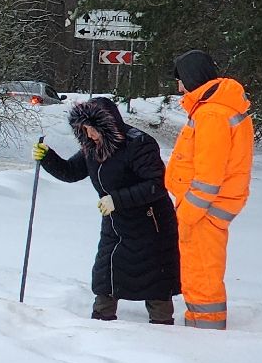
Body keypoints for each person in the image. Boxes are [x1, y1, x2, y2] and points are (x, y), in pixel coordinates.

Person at [34, 96, 180, 324]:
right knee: (106, 273)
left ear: (107, 125)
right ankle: (101, 322)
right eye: (84, 130)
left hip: (151, 224)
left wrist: (117, 200)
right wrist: (48, 158)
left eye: (93, 130)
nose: (90, 135)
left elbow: (157, 184)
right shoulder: (92, 148)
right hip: (115, 222)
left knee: (155, 278)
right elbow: (71, 172)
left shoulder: (138, 144)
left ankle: (162, 325)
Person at [164, 49, 253, 330]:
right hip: (206, 208)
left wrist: (189, 212)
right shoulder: (211, 107)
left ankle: (205, 337)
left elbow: (209, 173)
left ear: (192, 77)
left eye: (180, 79)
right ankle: (202, 328)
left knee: (201, 275)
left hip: (203, 210)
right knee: (199, 273)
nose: (178, 87)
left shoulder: (212, 114)